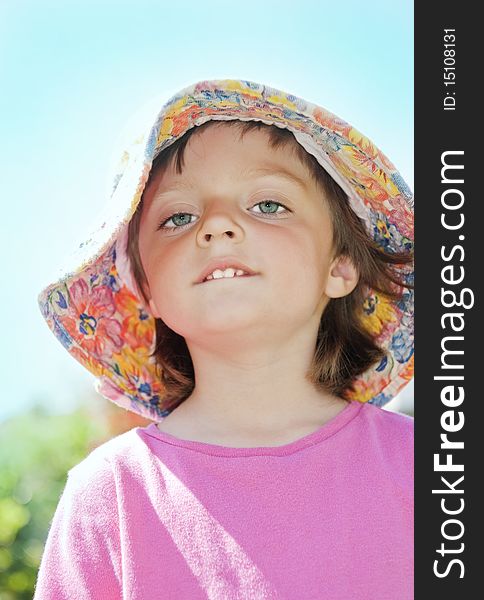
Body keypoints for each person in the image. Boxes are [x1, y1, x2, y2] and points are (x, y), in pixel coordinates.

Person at [33, 79, 414, 599]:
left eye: (268, 205)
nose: (216, 226)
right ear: (148, 293)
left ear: (341, 266)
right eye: (178, 217)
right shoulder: (110, 495)